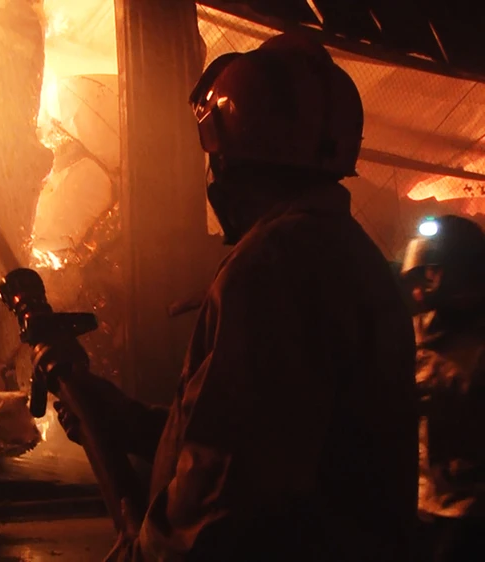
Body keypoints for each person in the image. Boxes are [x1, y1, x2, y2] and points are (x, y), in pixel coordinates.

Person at [33, 34, 418, 561]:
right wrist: (131, 423)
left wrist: (144, 555)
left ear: (232, 164)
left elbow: (223, 487)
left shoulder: (275, 265)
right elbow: (258, 434)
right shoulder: (347, 254)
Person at [401, 215, 485, 562]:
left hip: (470, 513)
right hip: (421, 504)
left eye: (434, 270)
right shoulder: (412, 333)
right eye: (423, 272)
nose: (425, 282)